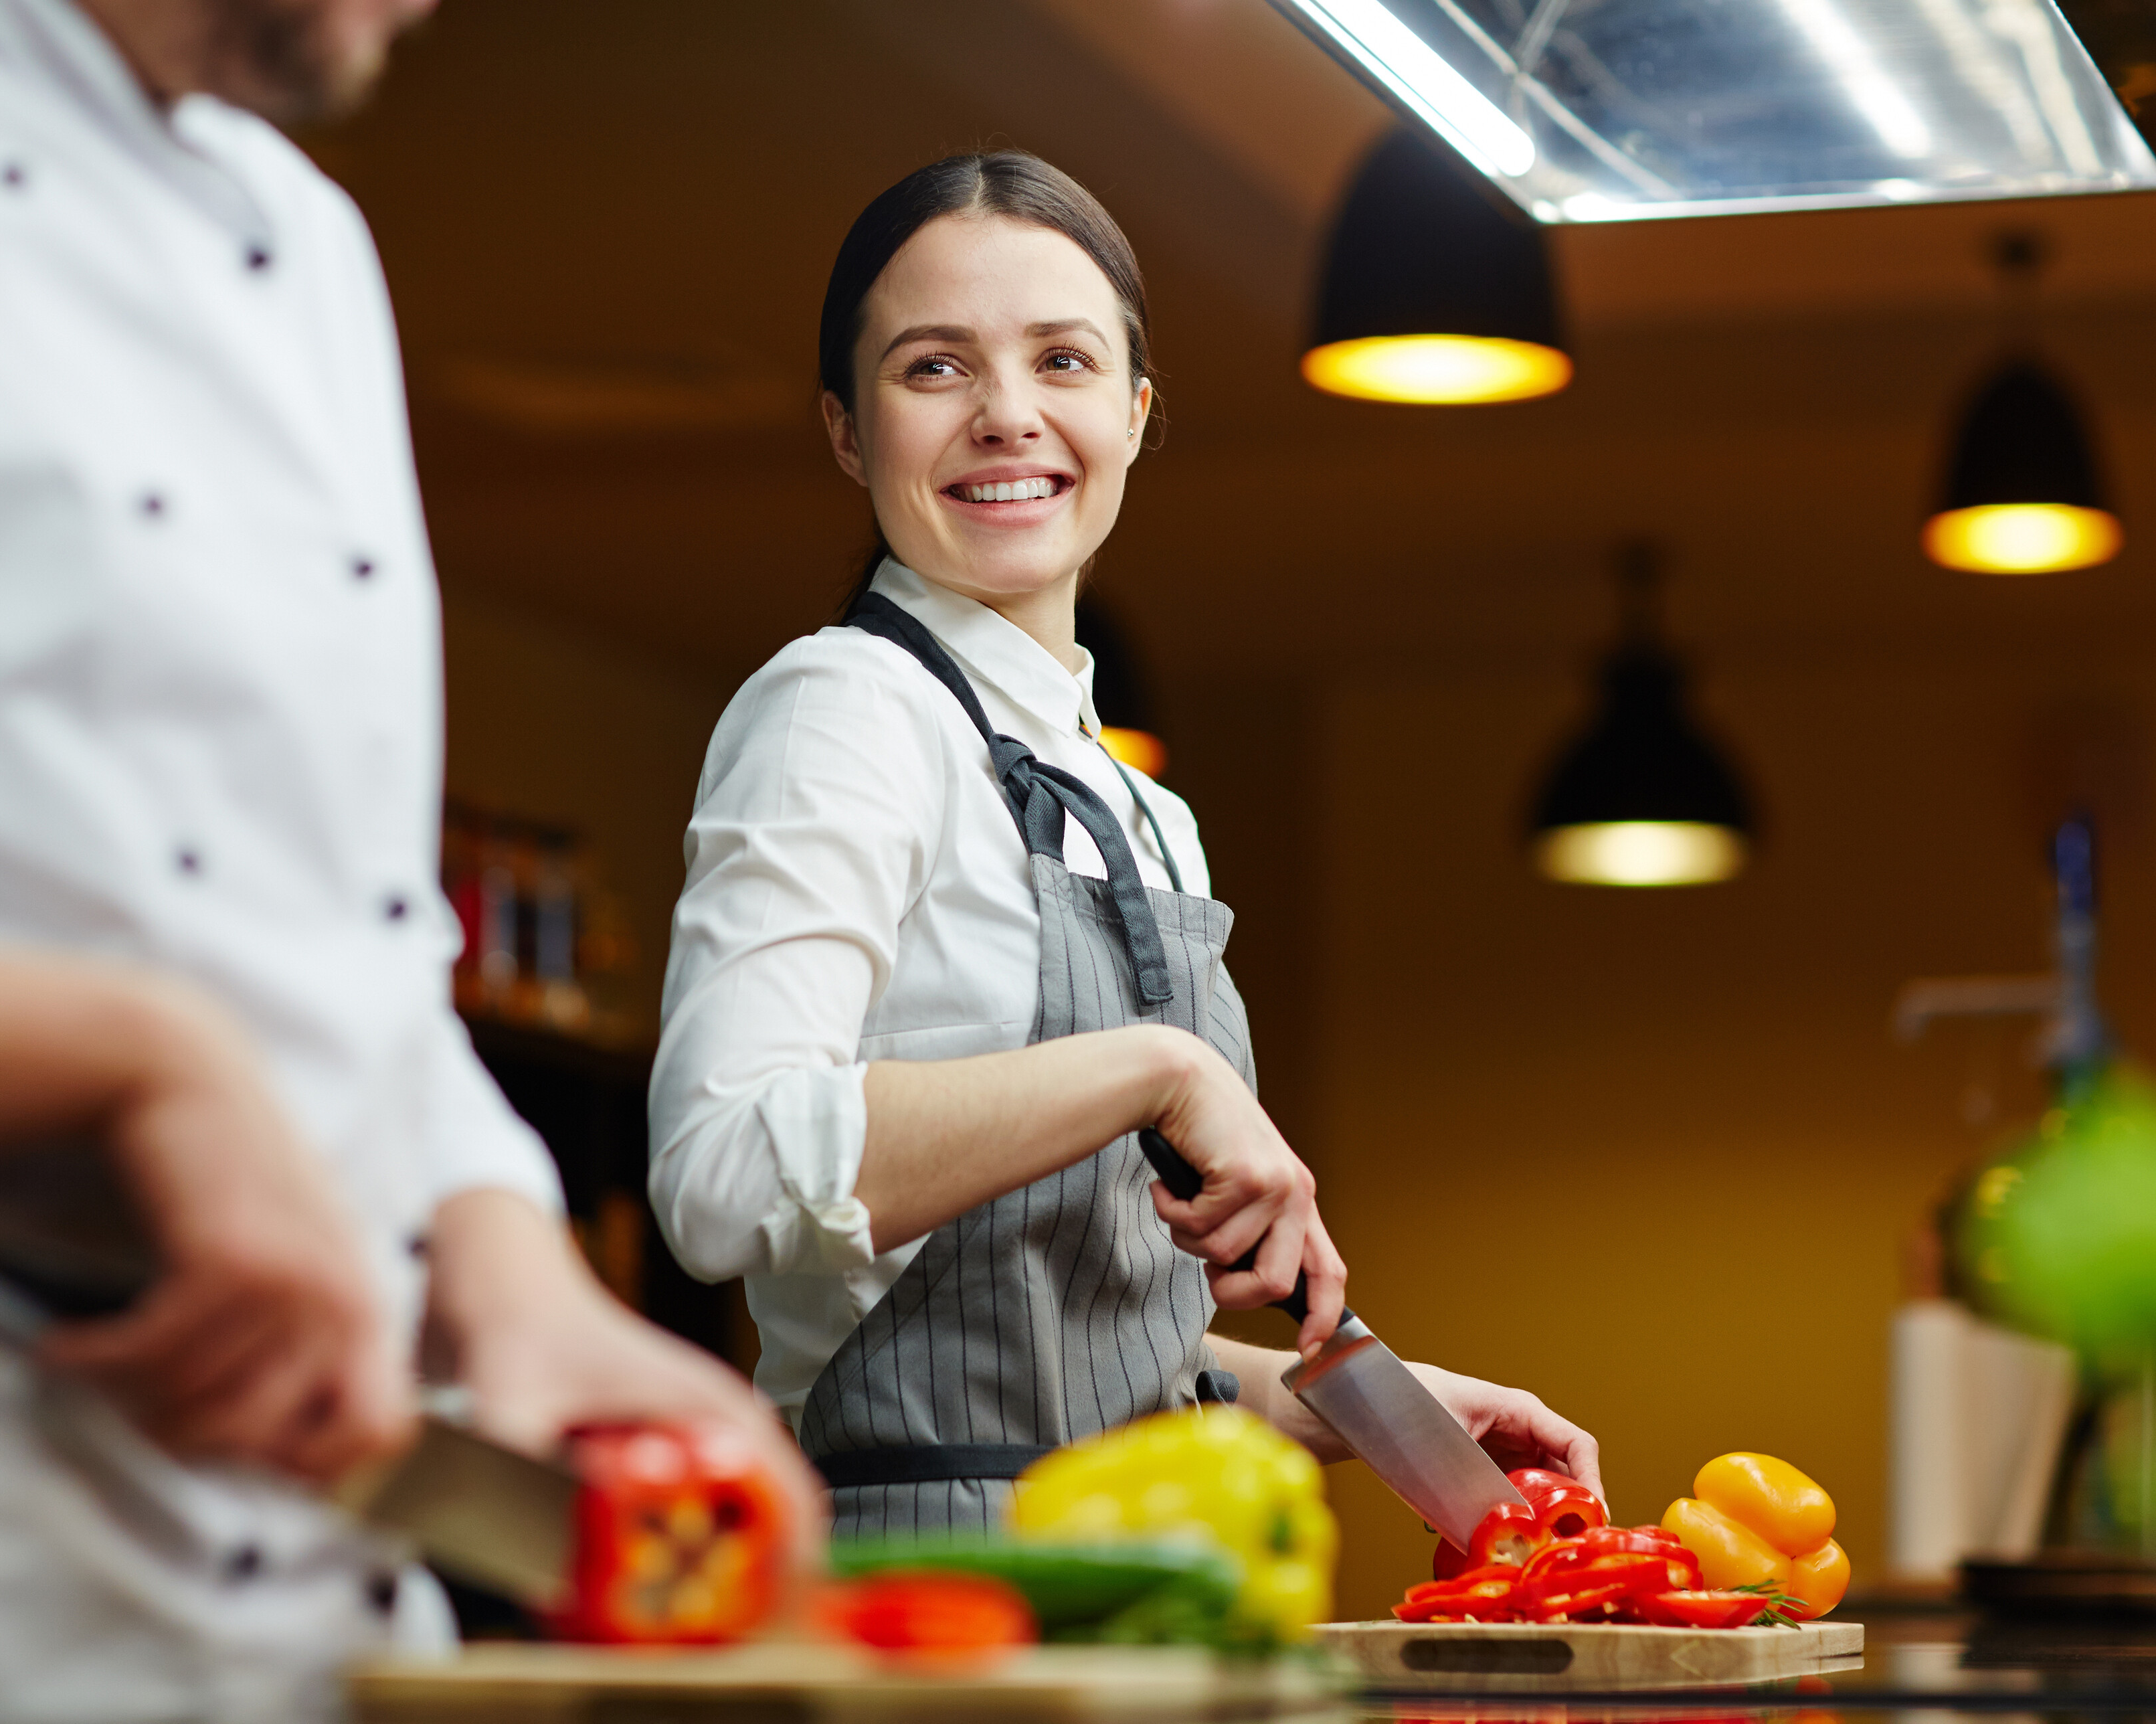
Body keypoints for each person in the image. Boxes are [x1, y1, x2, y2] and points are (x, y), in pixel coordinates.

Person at [0, 0, 816, 1717]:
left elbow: (333, 951)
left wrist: (507, 1268)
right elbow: (191, 1008)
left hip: (317, 1617)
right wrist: (126, 1056)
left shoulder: (305, 243)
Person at [648, 153, 1601, 1537]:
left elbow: (1066, 1332)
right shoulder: (844, 706)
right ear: (848, 433)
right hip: (935, 1594)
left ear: (1138, 413)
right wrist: (1158, 1067)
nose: (1008, 415)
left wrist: (1346, 1399)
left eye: (1064, 360)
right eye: (933, 369)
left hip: (1159, 1565)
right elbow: (719, 1173)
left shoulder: (1150, 818)